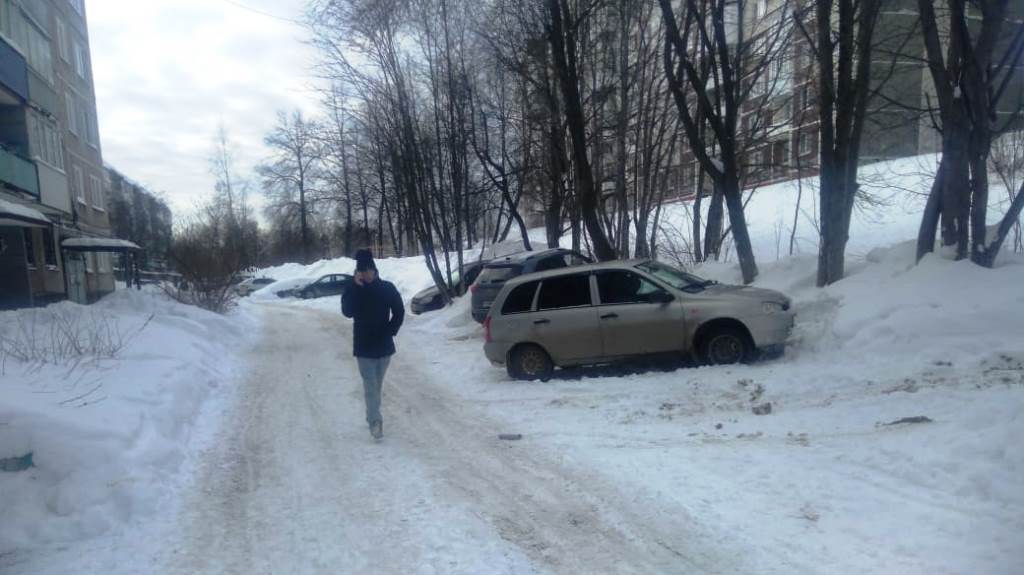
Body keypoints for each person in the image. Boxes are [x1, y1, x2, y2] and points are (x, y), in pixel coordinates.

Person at [341, 249, 405, 440]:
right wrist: (355, 288)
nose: (365, 274)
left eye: (368, 270)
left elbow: (399, 311)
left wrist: (391, 330)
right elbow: (347, 312)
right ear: (357, 273)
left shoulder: (387, 288)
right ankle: (375, 423)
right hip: (363, 347)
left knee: (376, 386)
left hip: (384, 347)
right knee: (370, 385)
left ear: (375, 270)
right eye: (362, 271)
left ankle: (371, 413)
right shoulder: (352, 289)